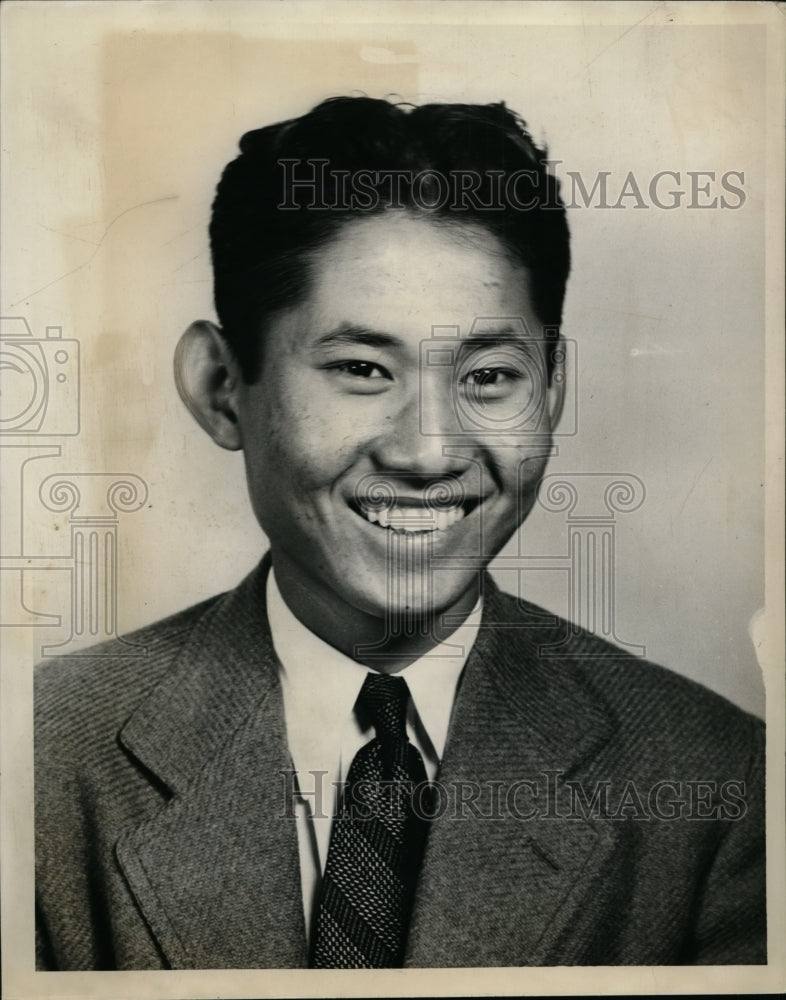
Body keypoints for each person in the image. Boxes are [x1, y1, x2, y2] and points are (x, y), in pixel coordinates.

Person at [35, 96, 766, 970]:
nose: (430, 451)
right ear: (222, 383)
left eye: (491, 376)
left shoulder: (723, 785)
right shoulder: (36, 759)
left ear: (555, 389)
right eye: (360, 369)